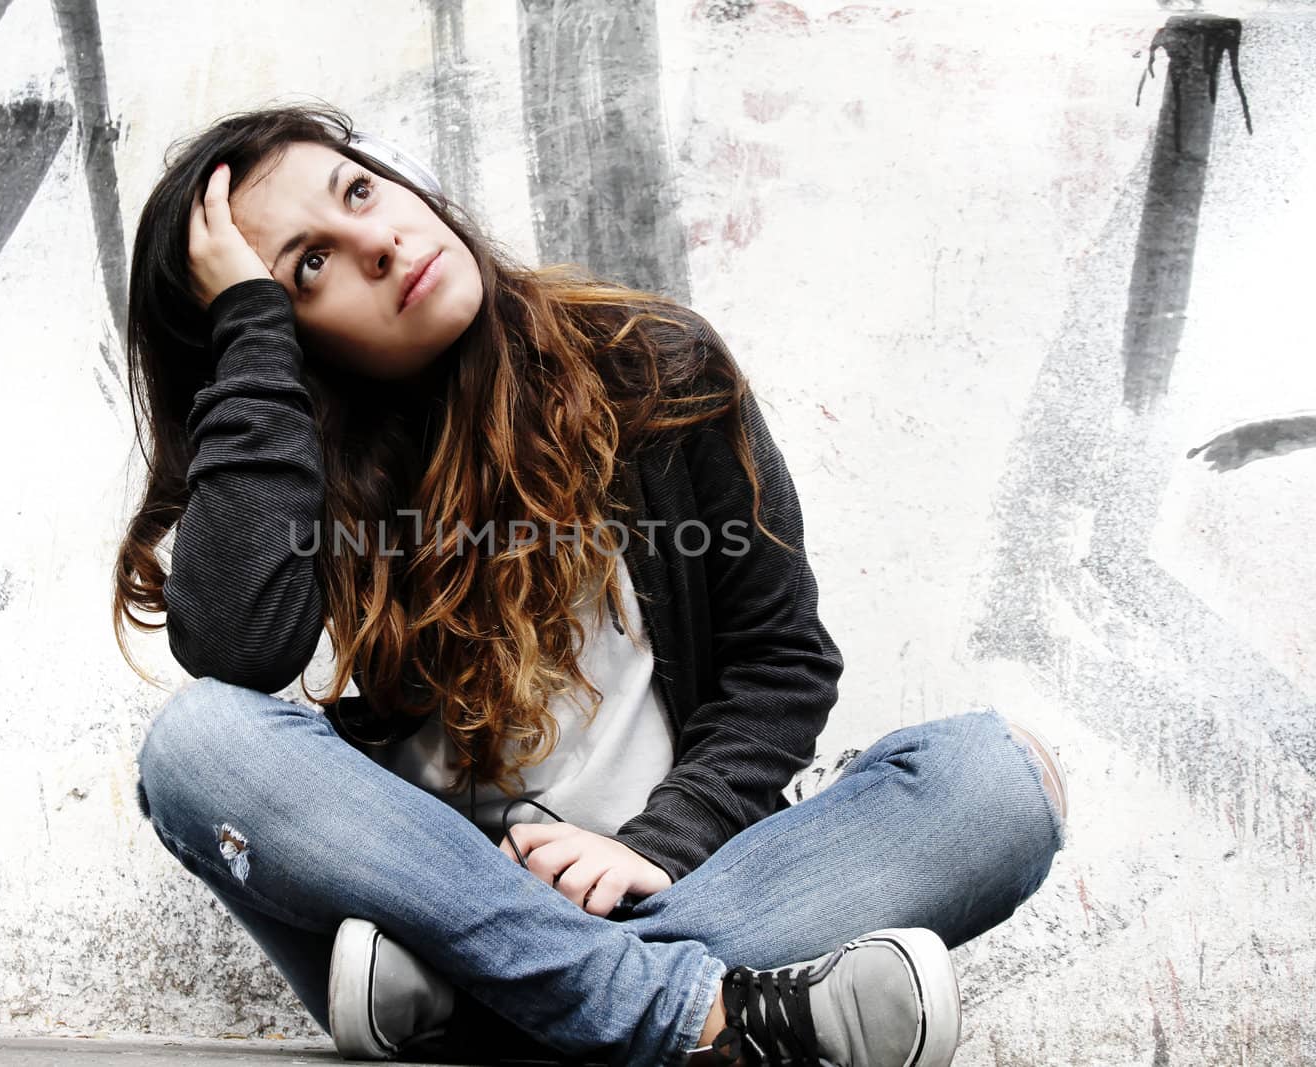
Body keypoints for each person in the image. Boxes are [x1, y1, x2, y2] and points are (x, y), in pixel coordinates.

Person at [111, 102, 1068, 1067]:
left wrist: (658, 846)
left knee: (998, 782)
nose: (380, 244)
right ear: (282, 336)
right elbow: (235, 647)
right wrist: (250, 339)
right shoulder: (292, 458)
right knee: (197, 744)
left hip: (693, 880)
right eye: (306, 267)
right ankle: (700, 1018)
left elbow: (779, 663)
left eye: (359, 191)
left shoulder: (654, 367)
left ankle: (509, 1014)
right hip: (455, 893)